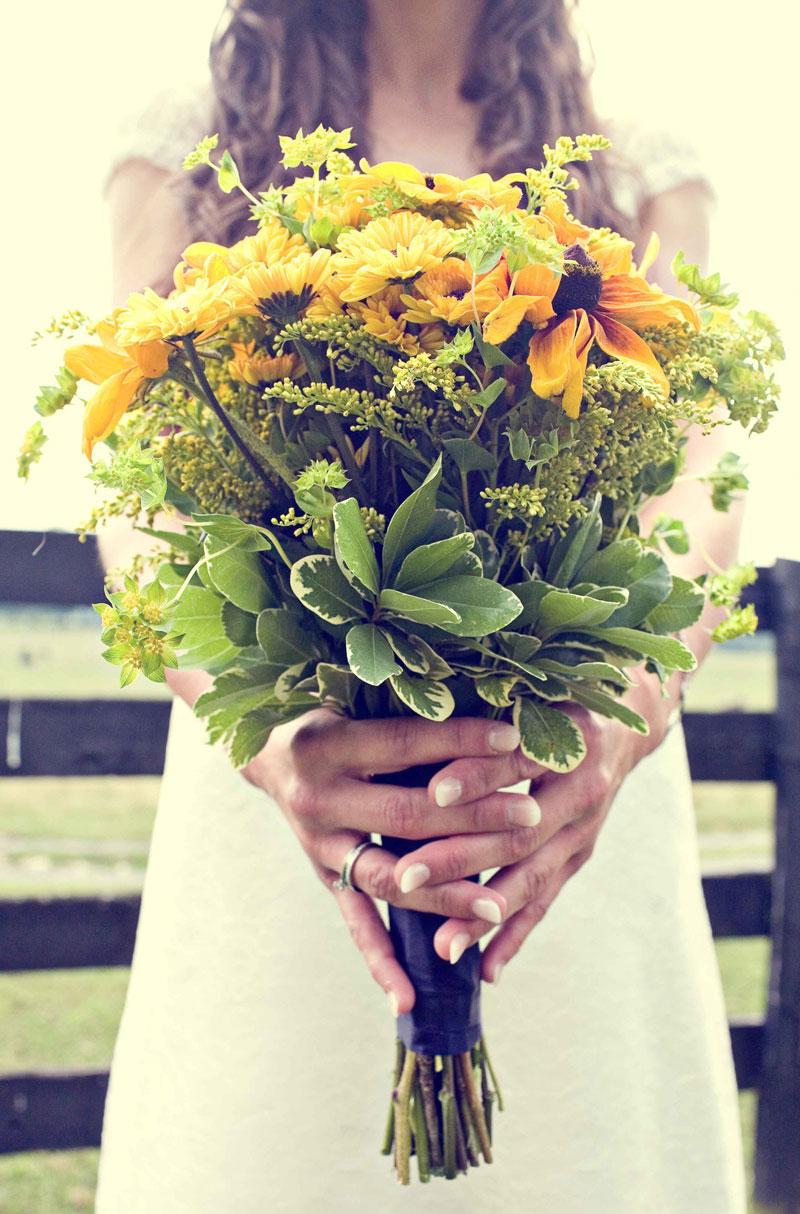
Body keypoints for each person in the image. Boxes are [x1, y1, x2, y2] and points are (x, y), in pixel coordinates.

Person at [93, 2, 746, 1210]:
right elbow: (139, 500)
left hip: (561, 787)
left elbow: (701, 470)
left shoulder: (637, 160)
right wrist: (272, 745)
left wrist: (627, 711)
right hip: (289, 796)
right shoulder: (186, 147)